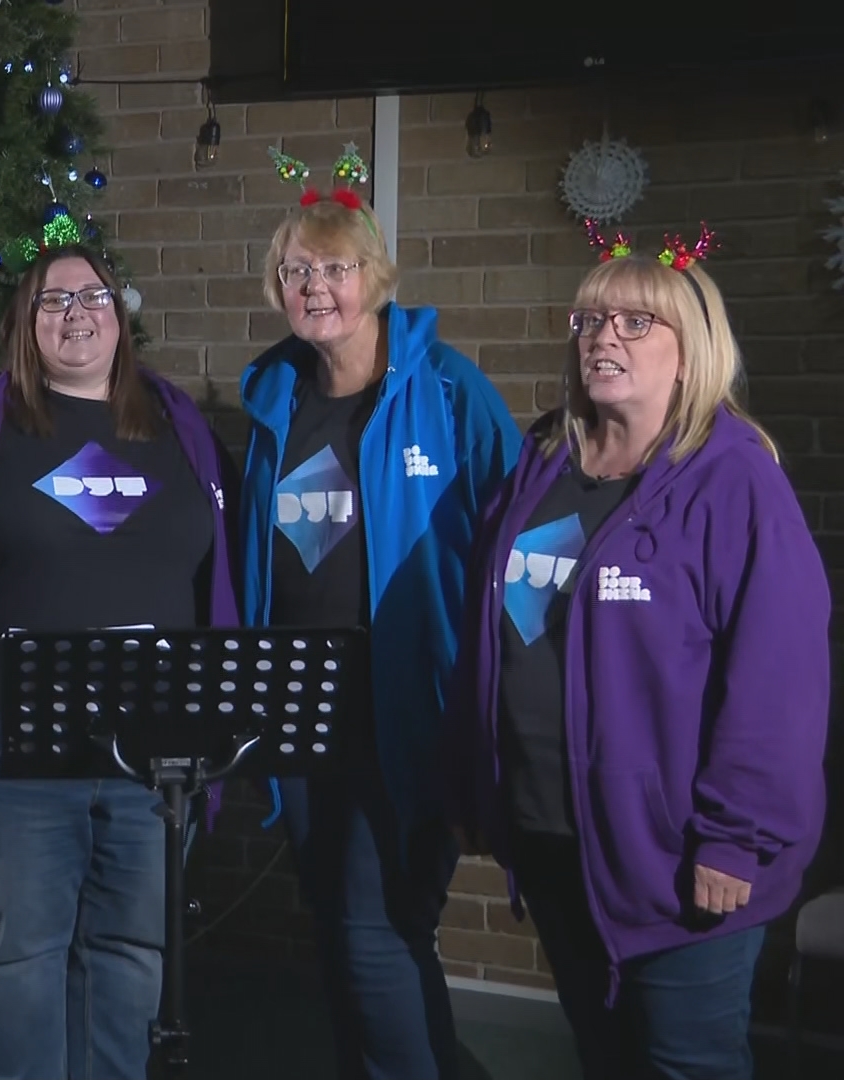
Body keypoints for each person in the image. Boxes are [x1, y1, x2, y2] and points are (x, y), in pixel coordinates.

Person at [444, 236, 829, 1080]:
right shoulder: (543, 461)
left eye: (635, 321)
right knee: (606, 1057)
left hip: (683, 856)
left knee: (686, 1064)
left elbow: (780, 679)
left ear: (692, 352)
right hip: (553, 837)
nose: (603, 337)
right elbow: (495, 640)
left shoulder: (734, 480)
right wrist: (482, 785)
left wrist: (737, 837)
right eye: (589, 319)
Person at [238, 147, 521, 1080]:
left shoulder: (446, 391)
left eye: (336, 268)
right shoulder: (274, 397)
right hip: (299, 707)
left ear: (377, 277)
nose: (316, 286)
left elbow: (519, 537)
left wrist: (499, 706)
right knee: (349, 926)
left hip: (409, 711)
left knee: (373, 926)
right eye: (297, 270)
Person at [0, 243, 240, 1080]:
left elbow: (219, 568)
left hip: (153, 755)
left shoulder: (180, 424)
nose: (76, 312)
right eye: (51, 300)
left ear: (122, 315)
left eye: (93, 295)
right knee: (19, 963)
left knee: (132, 955)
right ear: (23, 328)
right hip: (13, 752)